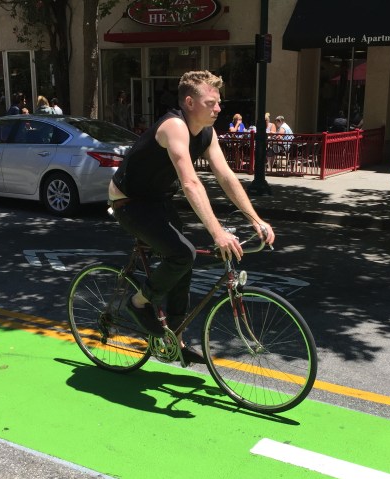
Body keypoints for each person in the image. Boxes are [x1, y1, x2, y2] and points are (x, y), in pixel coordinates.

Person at [108, 70, 275, 364]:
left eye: (218, 102)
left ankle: (176, 338)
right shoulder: (174, 127)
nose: (219, 108)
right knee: (182, 254)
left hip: (157, 199)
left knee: (185, 260)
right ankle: (139, 302)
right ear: (189, 102)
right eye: (211, 102)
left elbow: (226, 176)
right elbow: (190, 183)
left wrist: (255, 219)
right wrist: (217, 232)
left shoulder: (207, 134)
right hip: (129, 202)